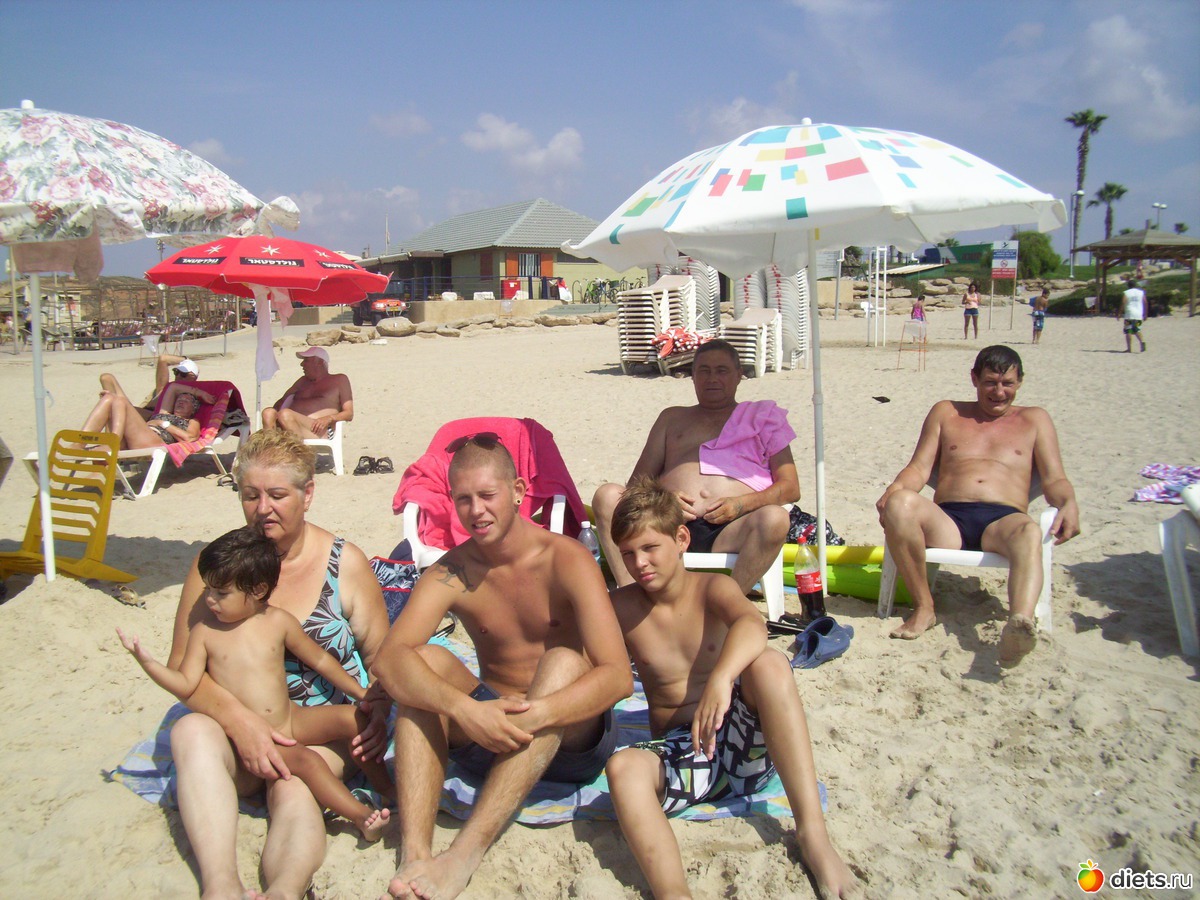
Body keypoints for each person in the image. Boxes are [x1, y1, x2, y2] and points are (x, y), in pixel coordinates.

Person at [372, 435, 632, 900]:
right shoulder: (452, 571)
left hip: (569, 736)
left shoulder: (566, 558)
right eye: (463, 499)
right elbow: (390, 661)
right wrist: (466, 710)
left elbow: (617, 676)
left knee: (563, 660)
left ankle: (465, 852)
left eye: (487, 495)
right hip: (488, 732)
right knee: (422, 663)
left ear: (517, 491)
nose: (476, 511)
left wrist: (539, 714)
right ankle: (415, 852)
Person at [604, 478, 858, 900]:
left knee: (771, 664)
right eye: (628, 553)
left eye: (650, 548)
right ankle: (674, 893)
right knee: (622, 768)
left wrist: (722, 678)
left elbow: (751, 624)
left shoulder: (711, 587)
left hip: (743, 747)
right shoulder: (622, 607)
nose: (639, 563)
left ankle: (813, 835)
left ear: (681, 539)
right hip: (683, 753)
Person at [163, 429, 391, 899]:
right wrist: (242, 724)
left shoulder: (344, 563)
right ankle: (220, 885)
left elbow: (381, 661)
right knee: (189, 731)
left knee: (293, 783)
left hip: (318, 732)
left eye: (277, 495)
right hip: (240, 735)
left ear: (308, 494)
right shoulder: (216, 569)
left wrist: (377, 712)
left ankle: (284, 890)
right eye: (250, 495)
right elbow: (182, 670)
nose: (262, 508)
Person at [117, 526, 392, 841]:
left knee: (354, 719)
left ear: (259, 590)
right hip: (264, 737)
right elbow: (185, 683)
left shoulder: (278, 621)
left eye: (221, 593)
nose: (210, 600)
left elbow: (320, 660)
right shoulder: (205, 633)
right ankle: (360, 817)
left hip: (292, 717)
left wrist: (360, 693)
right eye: (208, 590)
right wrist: (148, 663)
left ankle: (384, 786)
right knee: (309, 762)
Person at [875, 345, 1079, 667]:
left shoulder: (1035, 420)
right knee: (900, 504)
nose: (999, 392)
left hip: (1003, 521)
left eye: (1007, 383)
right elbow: (919, 468)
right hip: (949, 520)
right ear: (974, 379)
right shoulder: (947, 413)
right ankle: (924, 607)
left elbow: (1054, 479)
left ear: (1020, 382)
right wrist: (895, 489)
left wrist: (1068, 502)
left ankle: (1019, 624)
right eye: (990, 383)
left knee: (1029, 532)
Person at [592, 339, 799, 596]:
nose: (712, 378)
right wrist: (663, 497)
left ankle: (726, 604)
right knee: (607, 496)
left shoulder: (762, 418)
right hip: (666, 521)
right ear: (692, 376)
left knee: (775, 519)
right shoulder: (672, 418)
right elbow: (636, 484)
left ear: (738, 375)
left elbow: (790, 488)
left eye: (722, 371)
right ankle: (631, 597)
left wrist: (741, 505)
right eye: (704, 370)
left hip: (731, 527)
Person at [262, 347, 353, 440]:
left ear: (320, 362)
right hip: (288, 422)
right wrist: (273, 414)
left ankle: (297, 449)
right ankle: (270, 447)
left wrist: (329, 418)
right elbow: (281, 402)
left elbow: (349, 413)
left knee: (285, 414)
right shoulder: (302, 381)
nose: (302, 364)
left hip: (320, 429)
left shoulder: (339, 380)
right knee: (267, 413)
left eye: (306, 360)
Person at [80, 381, 203, 449]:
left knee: (119, 400)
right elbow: (173, 386)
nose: (181, 401)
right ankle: (80, 442)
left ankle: (113, 441)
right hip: (135, 436)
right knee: (109, 398)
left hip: (154, 440)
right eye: (179, 399)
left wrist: (162, 423)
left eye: (187, 401)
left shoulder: (192, 421)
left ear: (194, 409)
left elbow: (189, 438)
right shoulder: (164, 412)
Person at [99, 354, 205, 423]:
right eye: (176, 372)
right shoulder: (166, 388)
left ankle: (108, 441)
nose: (178, 376)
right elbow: (163, 359)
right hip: (139, 411)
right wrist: (187, 360)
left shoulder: (190, 395)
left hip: (152, 417)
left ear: (193, 377)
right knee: (106, 378)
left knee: (113, 407)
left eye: (183, 374)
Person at [1122, 278, 1147, 353]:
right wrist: (1145, 314)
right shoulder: (1141, 292)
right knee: (1137, 329)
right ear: (1135, 285)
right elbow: (1145, 302)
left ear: (1128, 286)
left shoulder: (1127, 292)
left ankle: (1129, 349)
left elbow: (1123, 302)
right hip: (1138, 315)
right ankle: (1142, 341)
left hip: (1129, 314)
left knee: (1128, 330)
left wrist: (1119, 312)